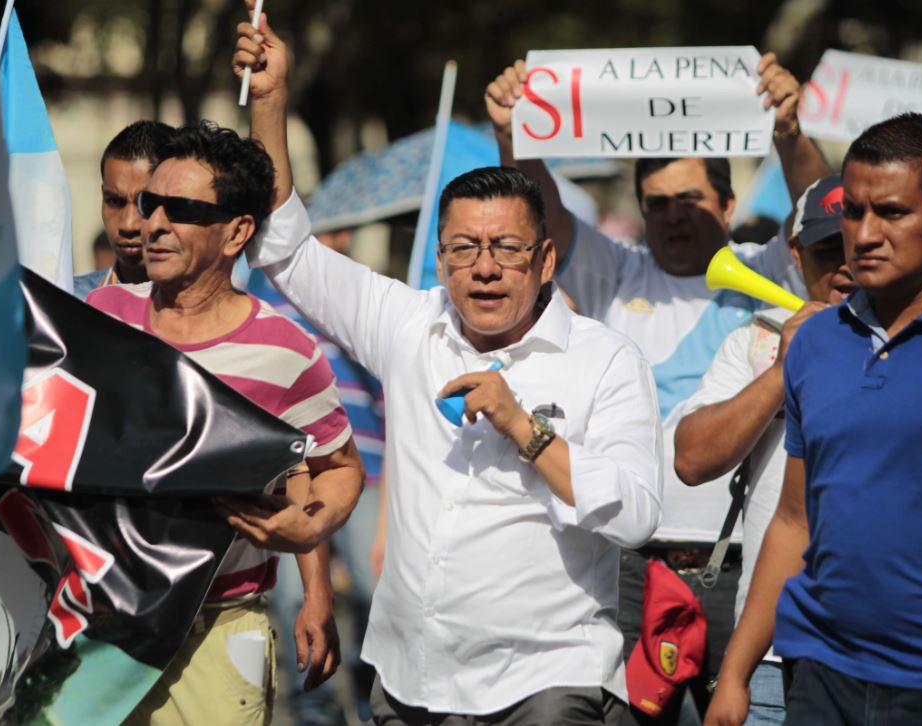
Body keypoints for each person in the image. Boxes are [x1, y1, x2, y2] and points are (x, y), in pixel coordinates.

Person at [234, 11, 663, 724]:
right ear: (440, 258)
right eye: (464, 249)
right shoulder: (410, 325)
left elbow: (637, 516)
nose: (484, 268)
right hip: (413, 680)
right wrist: (272, 100)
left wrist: (524, 428)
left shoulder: (605, 359)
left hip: (544, 684)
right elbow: (287, 250)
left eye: (506, 249)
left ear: (545, 259)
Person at [485, 54, 831, 723]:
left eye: (691, 199)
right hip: (630, 569)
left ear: (728, 204)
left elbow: (819, 208)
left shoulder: (774, 271)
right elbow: (543, 208)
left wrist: (788, 130)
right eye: (657, 203)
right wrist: (510, 133)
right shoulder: (613, 272)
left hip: (743, 570)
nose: (673, 215)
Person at [706, 113, 922, 726]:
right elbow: (793, 521)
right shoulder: (812, 345)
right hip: (823, 681)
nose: (863, 234)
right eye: (853, 212)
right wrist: (735, 673)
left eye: (891, 213)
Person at [87, 120, 366, 726]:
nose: (153, 224)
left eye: (182, 210)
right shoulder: (97, 318)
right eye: (151, 204)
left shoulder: (285, 352)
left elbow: (337, 468)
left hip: (217, 629)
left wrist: (311, 536)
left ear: (238, 231)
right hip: (95, 629)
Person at [672, 175, 852, 725]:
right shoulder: (758, 338)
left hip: (887, 654)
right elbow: (692, 458)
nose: (847, 263)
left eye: (858, 243)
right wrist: (780, 372)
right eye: (828, 250)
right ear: (796, 253)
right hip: (773, 655)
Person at [249, 228, 386, 725]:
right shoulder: (261, 296)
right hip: (289, 474)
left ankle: (372, 700)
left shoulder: (359, 300)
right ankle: (313, 710)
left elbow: (388, 393)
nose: (340, 239)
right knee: (291, 597)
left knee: (375, 589)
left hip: (365, 468)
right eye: (328, 230)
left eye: (346, 231)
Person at [74, 120, 175, 299]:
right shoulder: (64, 303)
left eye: (145, 203)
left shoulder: (220, 310)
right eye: (114, 201)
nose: (128, 225)